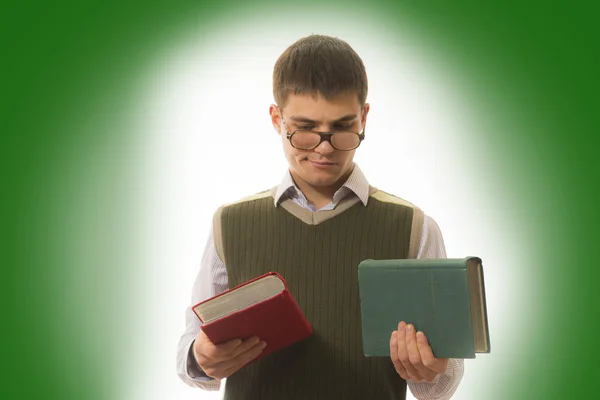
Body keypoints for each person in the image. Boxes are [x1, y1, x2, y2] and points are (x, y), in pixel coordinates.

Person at [177, 34, 464, 399]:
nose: (324, 148)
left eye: (342, 128)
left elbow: (439, 386)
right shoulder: (229, 224)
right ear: (277, 119)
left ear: (364, 118)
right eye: (306, 129)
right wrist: (200, 358)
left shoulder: (414, 228)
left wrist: (433, 369)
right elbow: (192, 350)